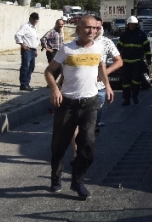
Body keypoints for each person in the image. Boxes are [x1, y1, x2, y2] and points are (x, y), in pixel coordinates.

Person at [45, 15, 113, 199]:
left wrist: (107, 85)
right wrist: (55, 90)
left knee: (88, 146)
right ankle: (56, 176)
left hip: (90, 103)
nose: (92, 31)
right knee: (59, 146)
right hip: (67, 103)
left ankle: (78, 181)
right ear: (78, 29)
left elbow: (101, 67)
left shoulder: (99, 47)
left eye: (95, 28)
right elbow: (49, 71)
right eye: (87, 28)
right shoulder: (67, 49)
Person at [116, 16, 150, 105]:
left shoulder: (141, 35)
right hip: (126, 62)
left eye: (133, 24)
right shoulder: (124, 35)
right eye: (130, 24)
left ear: (136, 25)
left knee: (136, 80)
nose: (132, 26)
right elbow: (118, 47)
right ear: (128, 24)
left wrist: (149, 58)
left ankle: (135, 96)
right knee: (126, 82)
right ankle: (126, 99)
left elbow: (147, 48)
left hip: (137, 62)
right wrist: (116, 56)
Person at [15, 12, 40, 91]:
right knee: (25, 67)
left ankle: (27, 83)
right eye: (34, 19)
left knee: (31, 67)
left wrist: (36, 49)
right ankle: (23, 84)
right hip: (27, 50)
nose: (35, 21)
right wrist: (22, 45)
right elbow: (17, 35)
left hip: (33, 50)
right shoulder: (26, 26)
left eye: (36, 20)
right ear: (31, 18)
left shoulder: (34, 28)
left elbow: (35, 40)